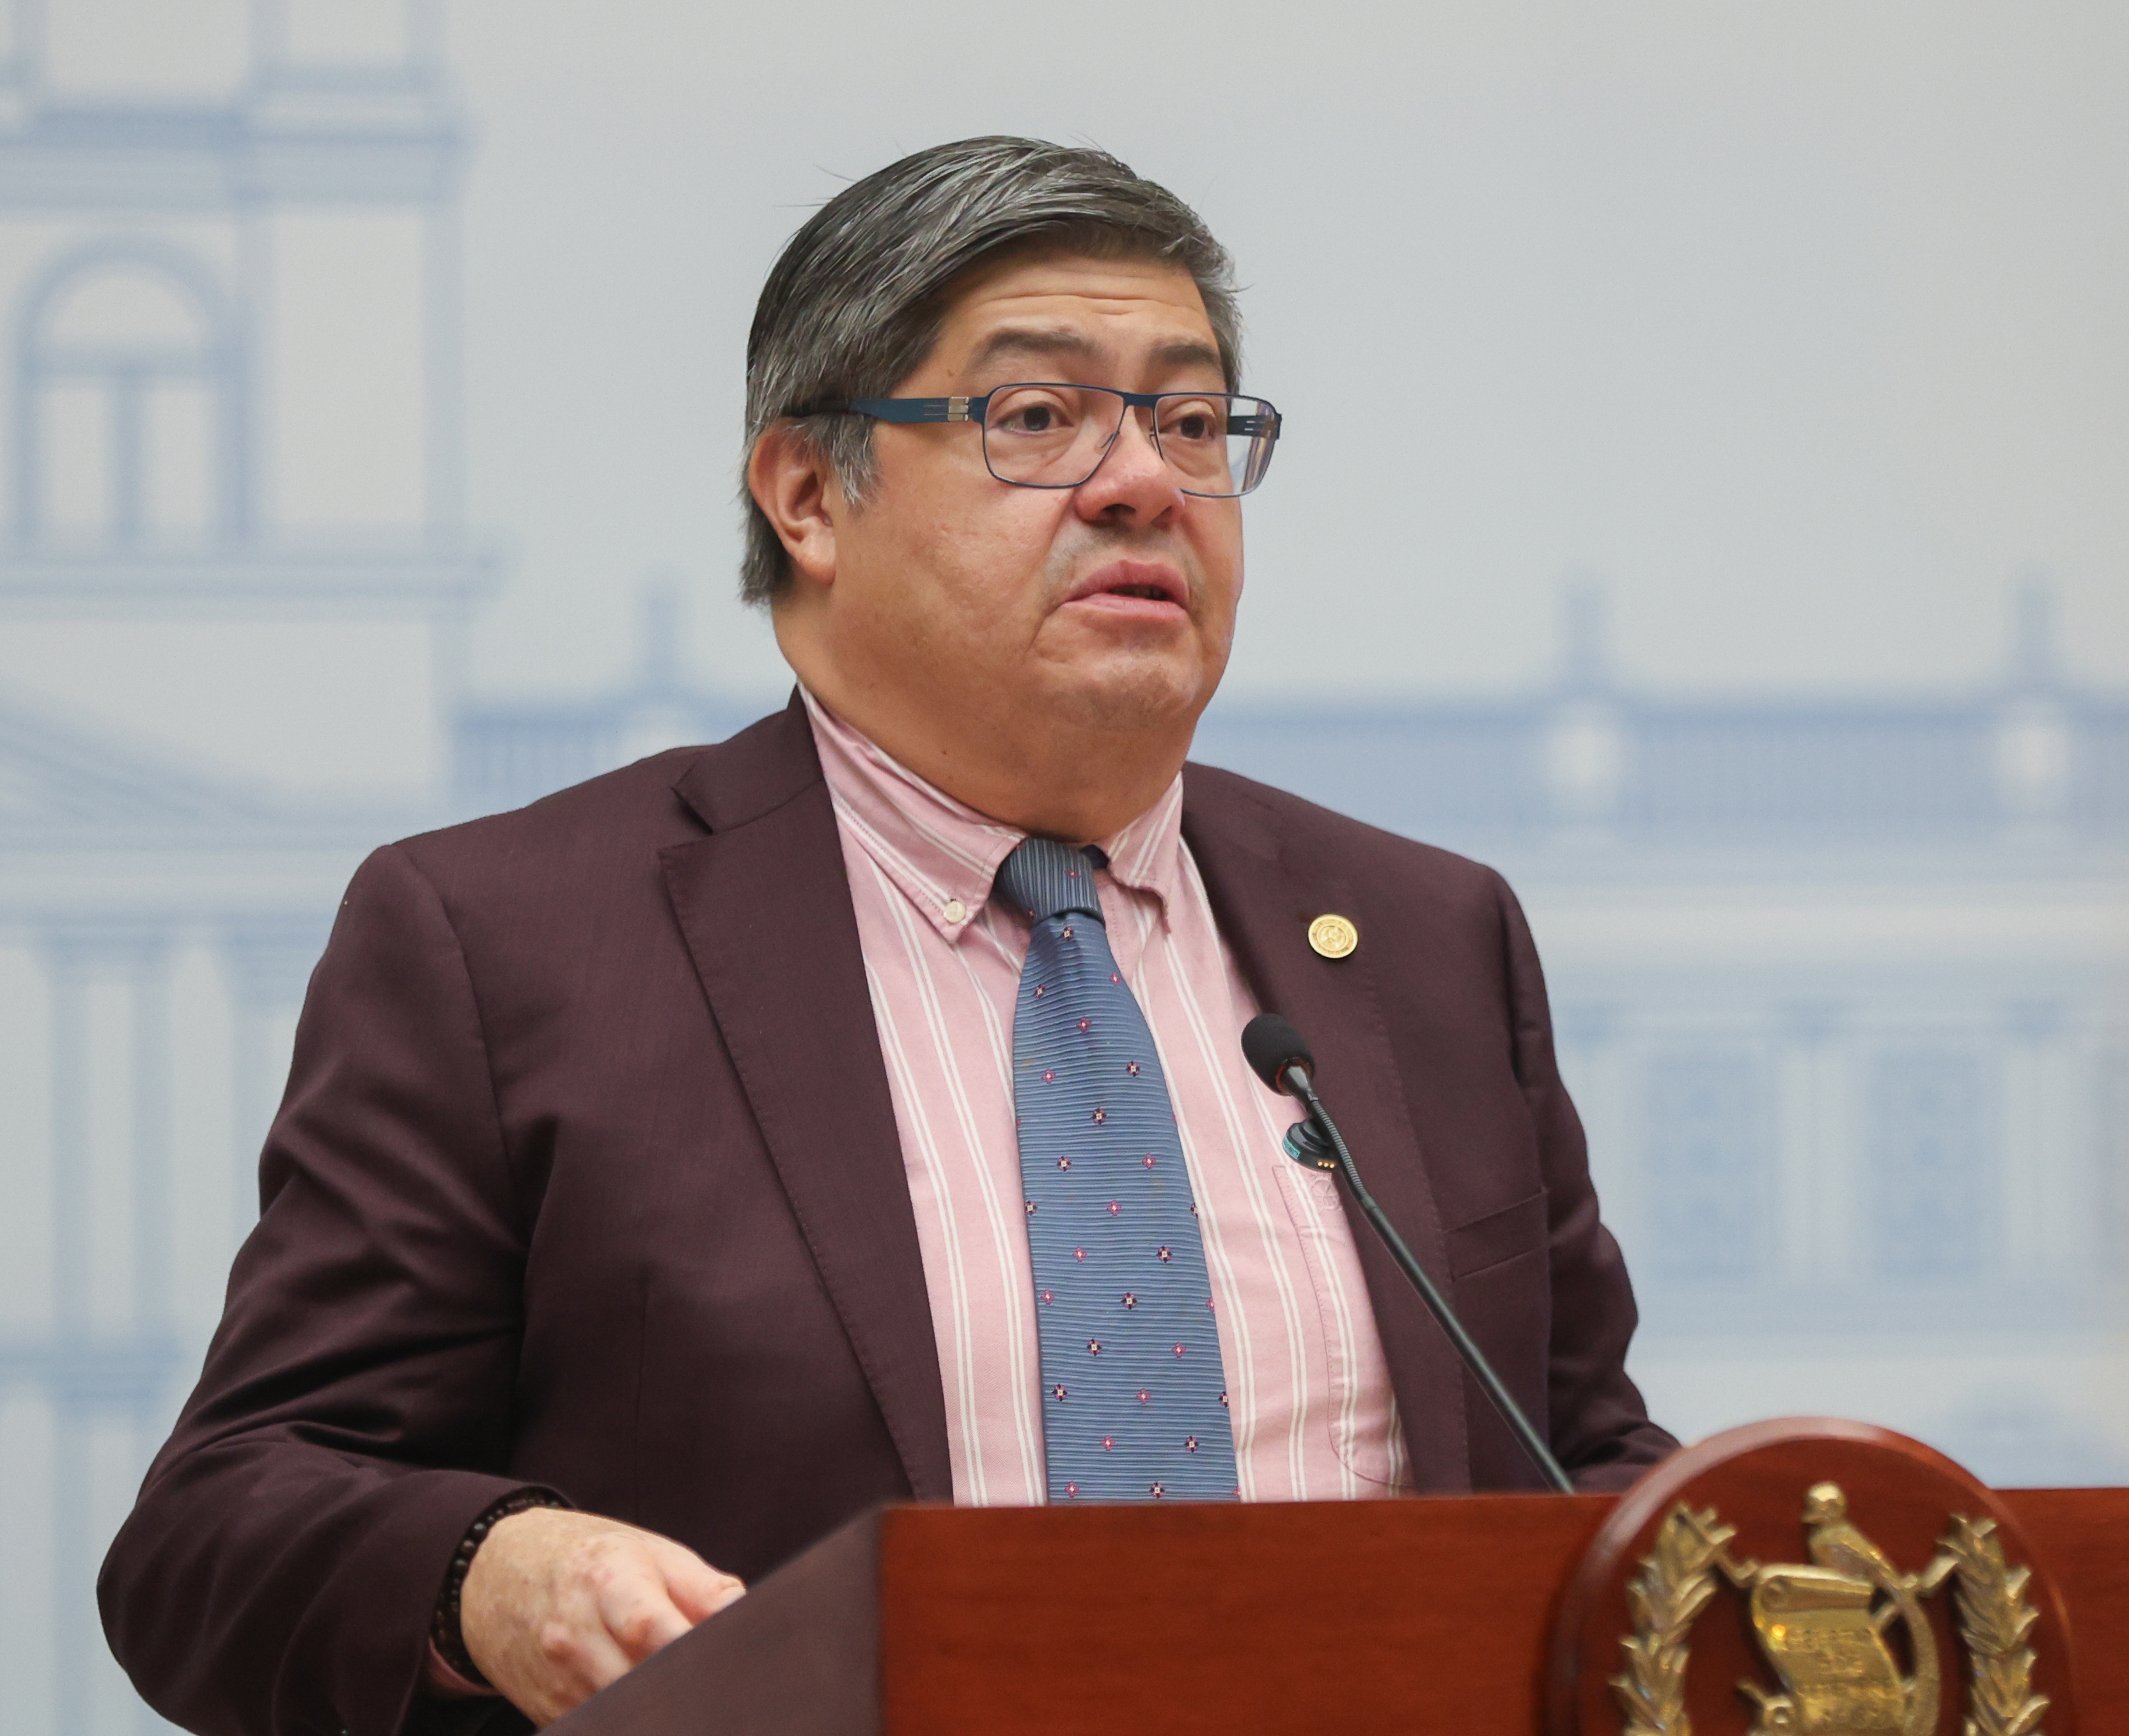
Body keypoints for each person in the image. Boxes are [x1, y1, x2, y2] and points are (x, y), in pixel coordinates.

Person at [100, 137, 1674, 1736]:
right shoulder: (511, 944)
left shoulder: (1421, 936)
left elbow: (1579, 1467)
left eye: (1192, 423)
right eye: (1036, 418)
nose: (1142, 481)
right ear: (805, 496)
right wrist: (486, 1571)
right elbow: (219, 1525)